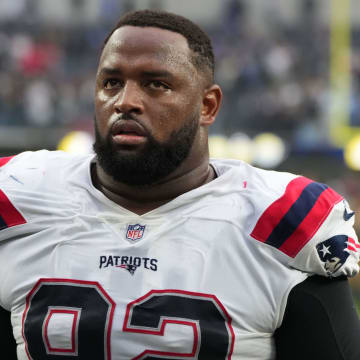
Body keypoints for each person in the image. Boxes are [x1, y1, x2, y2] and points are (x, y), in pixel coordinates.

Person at [0, 9, 360, 360]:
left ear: (207, 105)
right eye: (111, 82)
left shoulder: (280, 222)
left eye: (156, 84)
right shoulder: (20, 197)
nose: (125, 101)